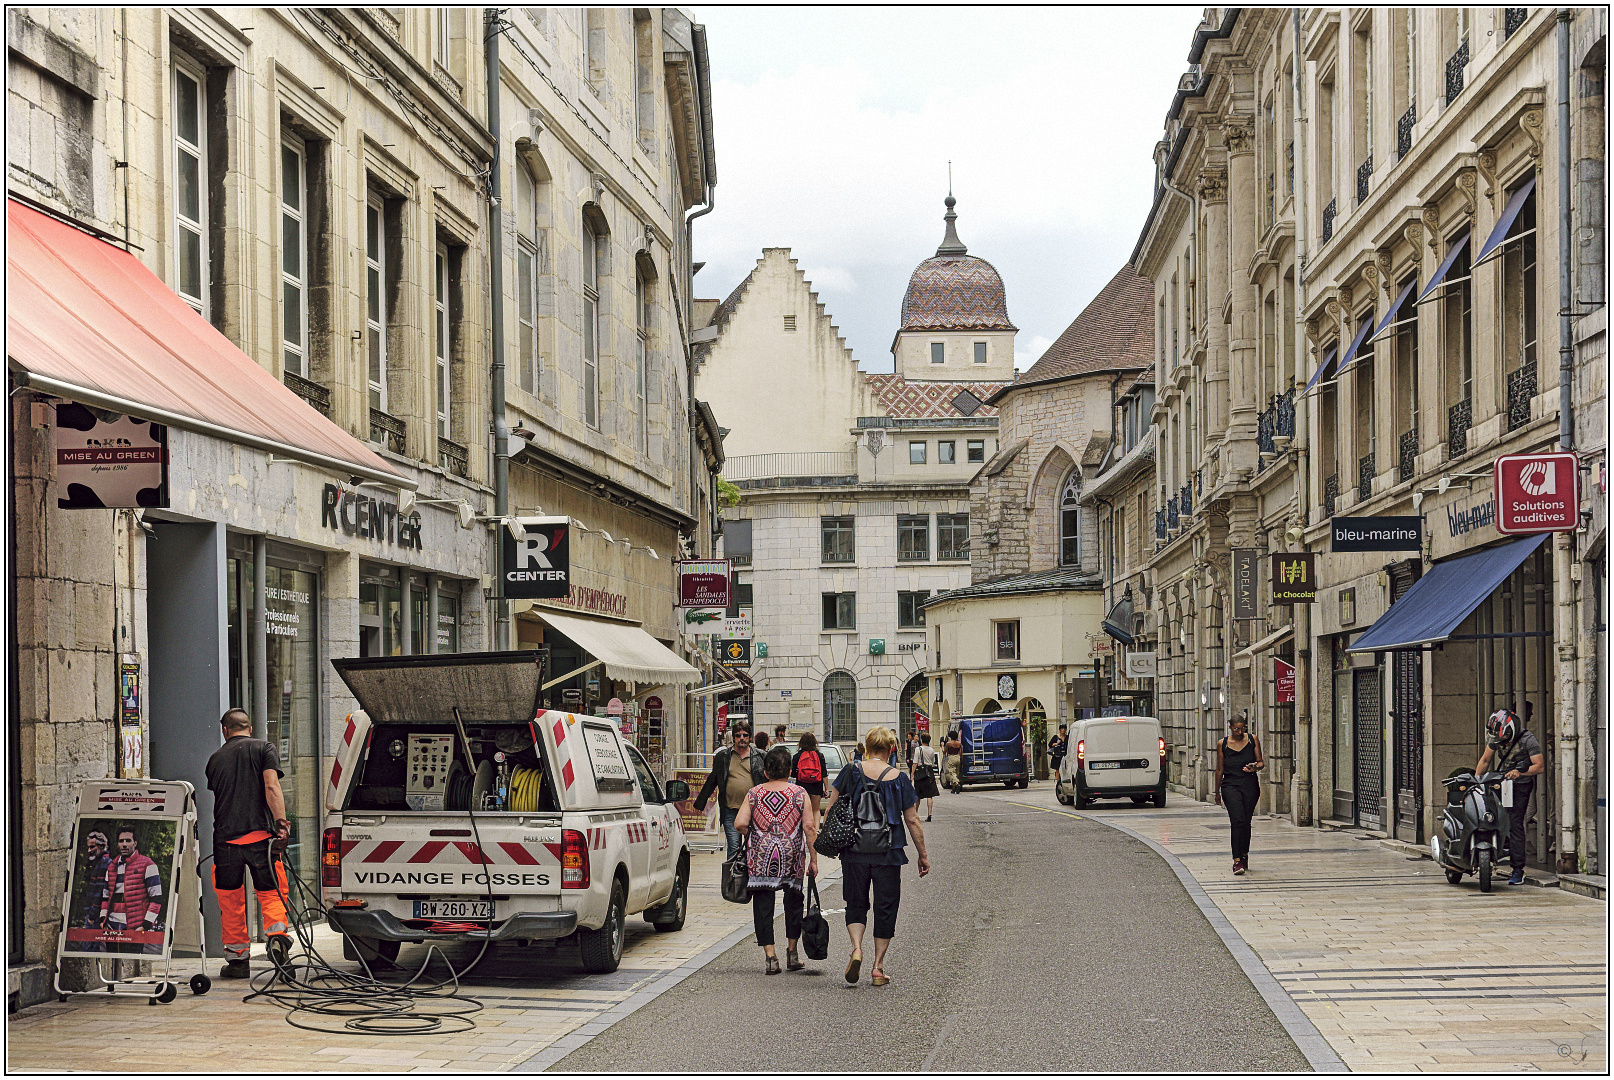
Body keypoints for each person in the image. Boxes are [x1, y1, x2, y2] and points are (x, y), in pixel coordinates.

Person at [822, 726, 929, 987]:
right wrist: (922, 855)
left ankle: (856, 949)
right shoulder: (900, 778)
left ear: (866, 748)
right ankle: (878, 967)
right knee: (885, 906)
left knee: (856, 903)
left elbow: (832, 808)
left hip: (854, 851)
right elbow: (912, 819)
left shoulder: (850, 771)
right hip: (888, 853)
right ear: (891, 749)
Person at [206, 708, 294, 978]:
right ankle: (277, 942)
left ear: (225, 731)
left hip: (226, 842)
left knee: (230, 900)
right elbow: (271, 787)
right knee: (271, 893)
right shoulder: (264, 748)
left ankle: (237, 961)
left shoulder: (215, 758)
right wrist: (282, 824)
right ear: (250, 728)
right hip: (261, 839)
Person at [735, 745, 818, 974]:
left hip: (761, 856)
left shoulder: (754, 793)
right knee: (793, 903)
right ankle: (792, 954)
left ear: (765, 772)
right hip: (792, 855)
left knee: (763, 905)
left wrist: (758, 835)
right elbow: (810, 826)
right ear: (790, 770)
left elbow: (739, 824)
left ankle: (771, 958)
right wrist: (814, 859)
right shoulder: (800, 794)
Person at [1474, 708, 1544, 886]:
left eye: (1503, 739)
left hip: (1520, 785)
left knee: (1514, 823)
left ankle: (1518, 869)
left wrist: (1520, 773)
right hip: (1502, 782)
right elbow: (1485, 760)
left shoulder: (1528, 740)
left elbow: (1539, 766)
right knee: (1491, 816)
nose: (1500, 742)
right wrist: (1475, 782)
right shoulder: (1496, 737)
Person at [694, 721, 766, 859]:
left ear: (750, 737)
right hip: (730, 810)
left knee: (754, 846)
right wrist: (700, 802)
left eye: (745, 735)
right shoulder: (723, 757)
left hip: (754, 811)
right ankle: (732, 879)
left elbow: (769, 781)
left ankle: (751, 878)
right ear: (733, 738)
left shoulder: (760, 756)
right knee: (733, 848)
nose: (742, 738)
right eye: (738, 735)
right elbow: (712, 780)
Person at [100, 828, 165, 955]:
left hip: (134, 929)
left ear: (135, 843)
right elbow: (105, 896)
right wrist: (103, 920)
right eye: (121, 841)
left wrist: (144, 926)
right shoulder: (112, 866)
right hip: (112, 929)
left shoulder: (148, 864)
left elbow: (156, 899)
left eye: (128, 840)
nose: (124, 844)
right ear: (117, 844)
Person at [1213, 716, 1263, 875]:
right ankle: (1236, 861)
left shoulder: (1252, 740)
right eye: (1236, 729)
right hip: (1230, 785)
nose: (1240, 732)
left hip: (1250, 785)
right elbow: (1219, 769)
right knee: (1237, 820)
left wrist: (1255, 767)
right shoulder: (1223, 744)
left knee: (1246, 821)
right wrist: (1217, 791)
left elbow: (1261, 762)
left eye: (1243, 728)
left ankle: (1244, 854)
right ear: (1230, 727)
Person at [79, 830, 112, 952]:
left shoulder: (105, 863)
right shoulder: (100, 862)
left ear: (102, 846)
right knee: (92, 947)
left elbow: (101, 892)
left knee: (88, 948)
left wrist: (92, 915)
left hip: (95, 915)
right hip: (94, 913)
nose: (89, 850)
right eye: (88, 847)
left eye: (92, 847)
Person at [790, 732, 828, 819]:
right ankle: (816, 830)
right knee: (816, 810)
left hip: (802, 785)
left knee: (802, 811)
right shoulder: (819, 755)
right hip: (817, 785)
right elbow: (824, 774)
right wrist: (826, 789)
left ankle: (804, 830)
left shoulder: (797, 756)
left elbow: (792, 774)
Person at [910, 733, 940, 821]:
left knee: (918, 794)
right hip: (929, 772)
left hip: (920, 772)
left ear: (921, 740)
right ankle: (929, 814)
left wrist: (912, 774)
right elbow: (932, 762)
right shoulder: (931, 750)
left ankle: (915, 813)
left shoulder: (918, 749)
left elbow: (915, 763)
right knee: (929, 795)